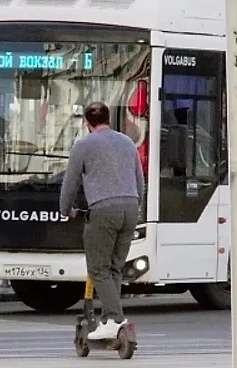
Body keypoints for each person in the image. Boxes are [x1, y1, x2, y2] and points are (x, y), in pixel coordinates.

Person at [59, 102, 144, 340]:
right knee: (115, 267)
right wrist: (137, 207)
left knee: (98, 268)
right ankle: (108, 320)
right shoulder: (128, 143)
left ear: (87, 123)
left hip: (103, 210)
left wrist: (66, 210)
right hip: (130, 208)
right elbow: (140, 181)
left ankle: (117, 319)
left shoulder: (83, 146)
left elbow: (70, 183)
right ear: (109, 119)